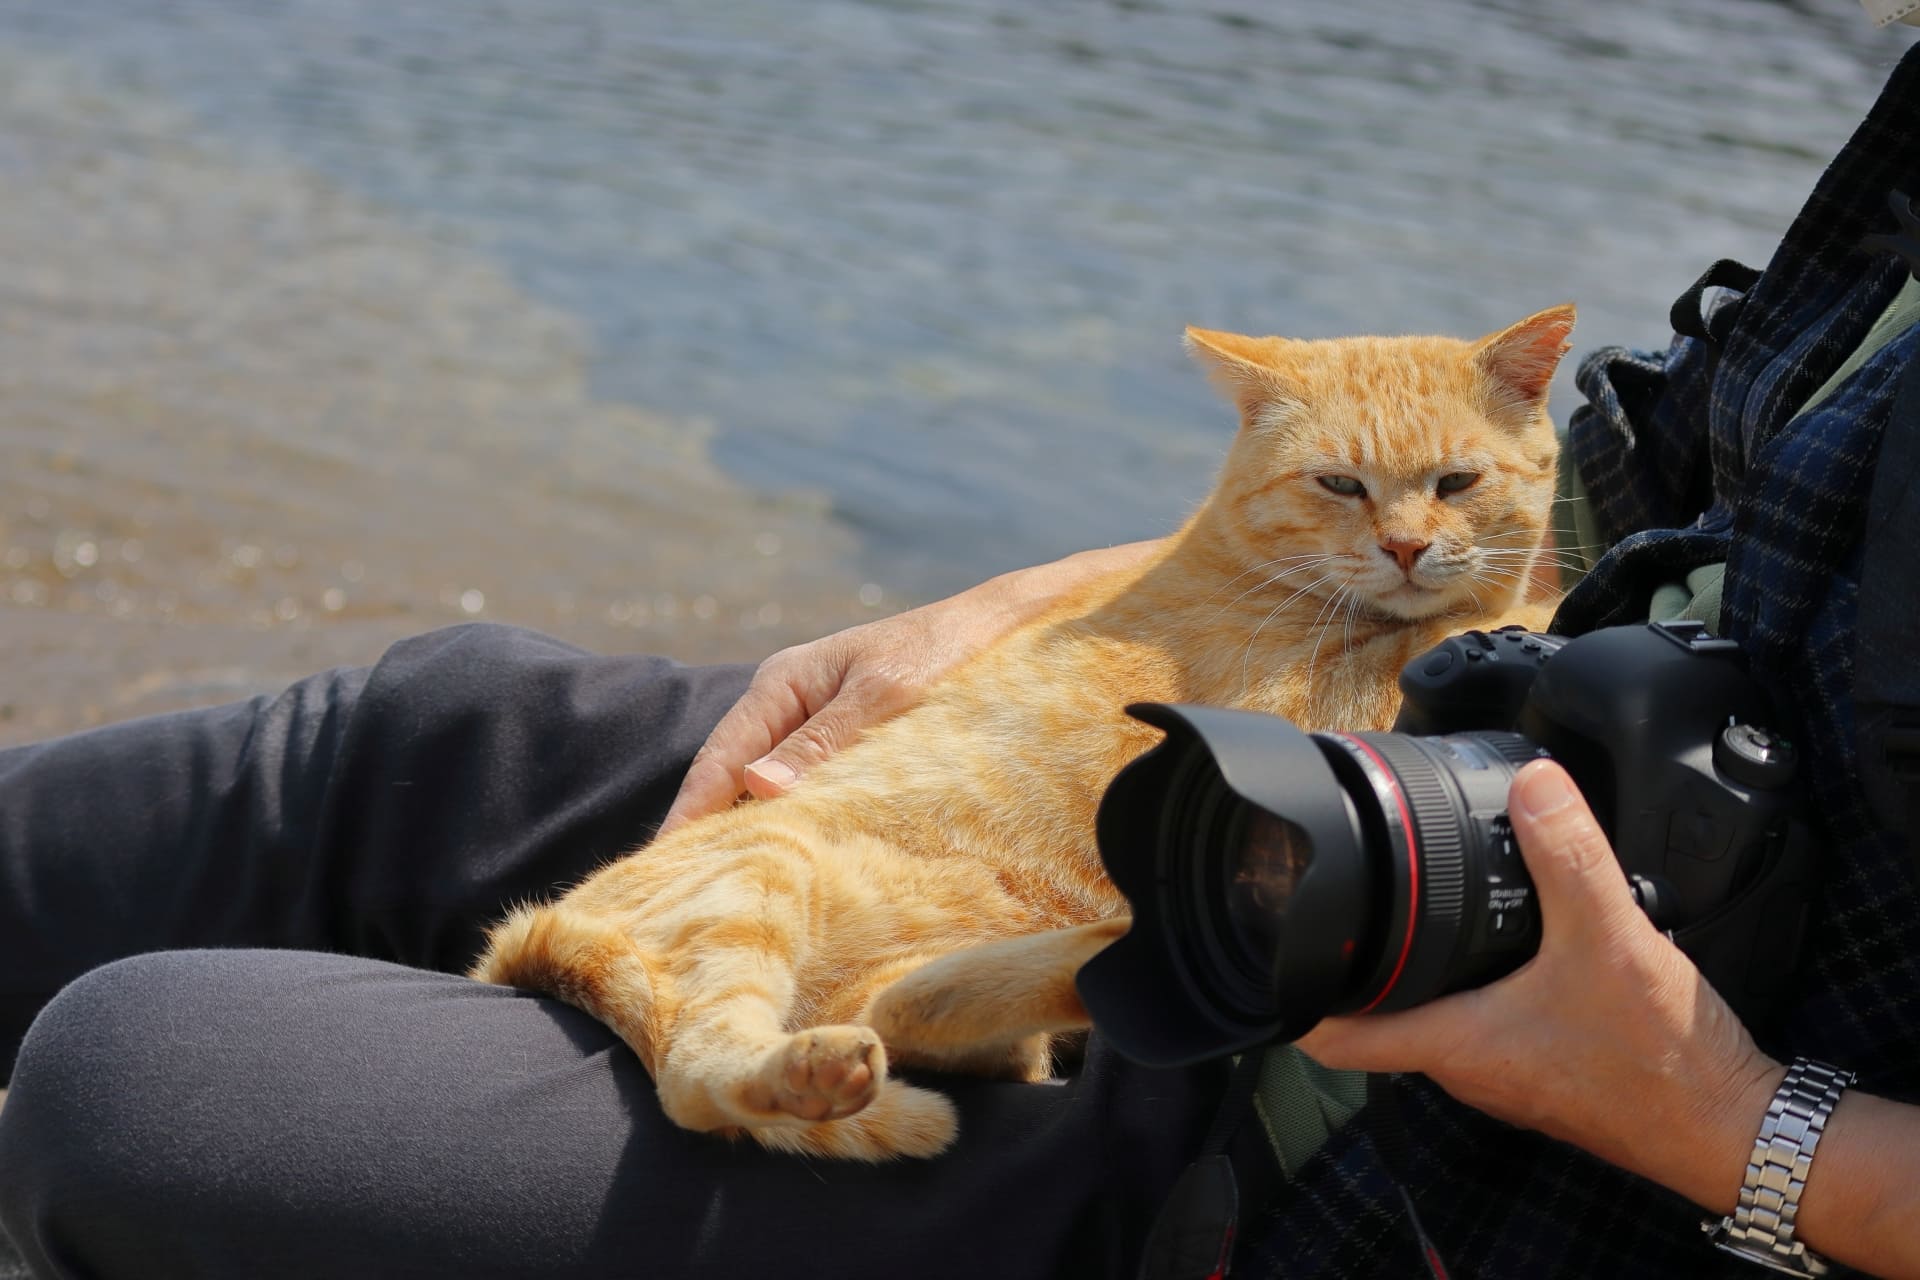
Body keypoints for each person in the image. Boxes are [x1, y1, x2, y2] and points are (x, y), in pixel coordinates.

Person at [7, 28, 1920, 1280]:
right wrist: (1099, 589)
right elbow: (1631, 461)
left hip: (1423, 1114)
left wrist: (1733, 1128)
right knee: (409, 737)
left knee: (145, 1092)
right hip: (1326, 756)